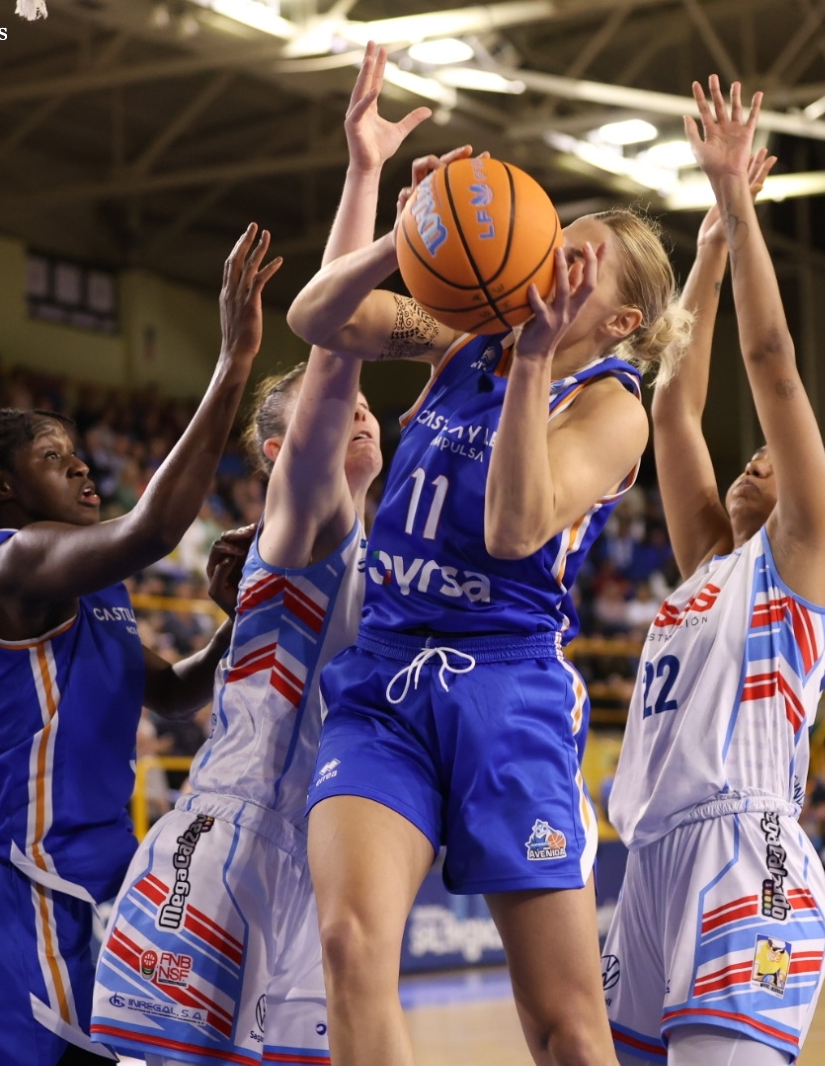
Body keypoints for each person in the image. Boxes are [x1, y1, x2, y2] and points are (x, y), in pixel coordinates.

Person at [287, 75, 690, 1066]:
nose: (556, 264)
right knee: (346, 943)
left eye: (583, 262)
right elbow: (316, 319)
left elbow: (514, 529)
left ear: (624, 317)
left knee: (562, 1024)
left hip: (507, 691)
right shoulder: (466, 336)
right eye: (558, 243)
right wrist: (409, 235)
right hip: (384, 675)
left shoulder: (610, 404)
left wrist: (540, 364)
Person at [89, 43, 409, 1066]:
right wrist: (367, 184)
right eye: (342, 407)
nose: (360, 414)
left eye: (369, 408)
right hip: (224, 850)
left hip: (317, 858)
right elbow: (332, 351)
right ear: (279, 451)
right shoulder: (301, 512)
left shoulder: (373, 547)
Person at [0, 222, 281, 1066]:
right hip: (7, 882)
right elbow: (155, 526)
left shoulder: (79, 587)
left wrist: (232, 624)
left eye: (78, 456)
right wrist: (232, 363)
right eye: (52, 458)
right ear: (3, 486)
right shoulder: (19, 558)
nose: (80, 471)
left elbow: (175, 691)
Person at [603, 79, 825, 1066]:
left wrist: (741, 214)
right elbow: (672, 408)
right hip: (650, 864)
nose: (759, 456)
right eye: (751, 454)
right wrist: (703, 253)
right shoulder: (714, 562)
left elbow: (769, 360)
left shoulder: (803, 565)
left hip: (748, 852)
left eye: (788, 464)